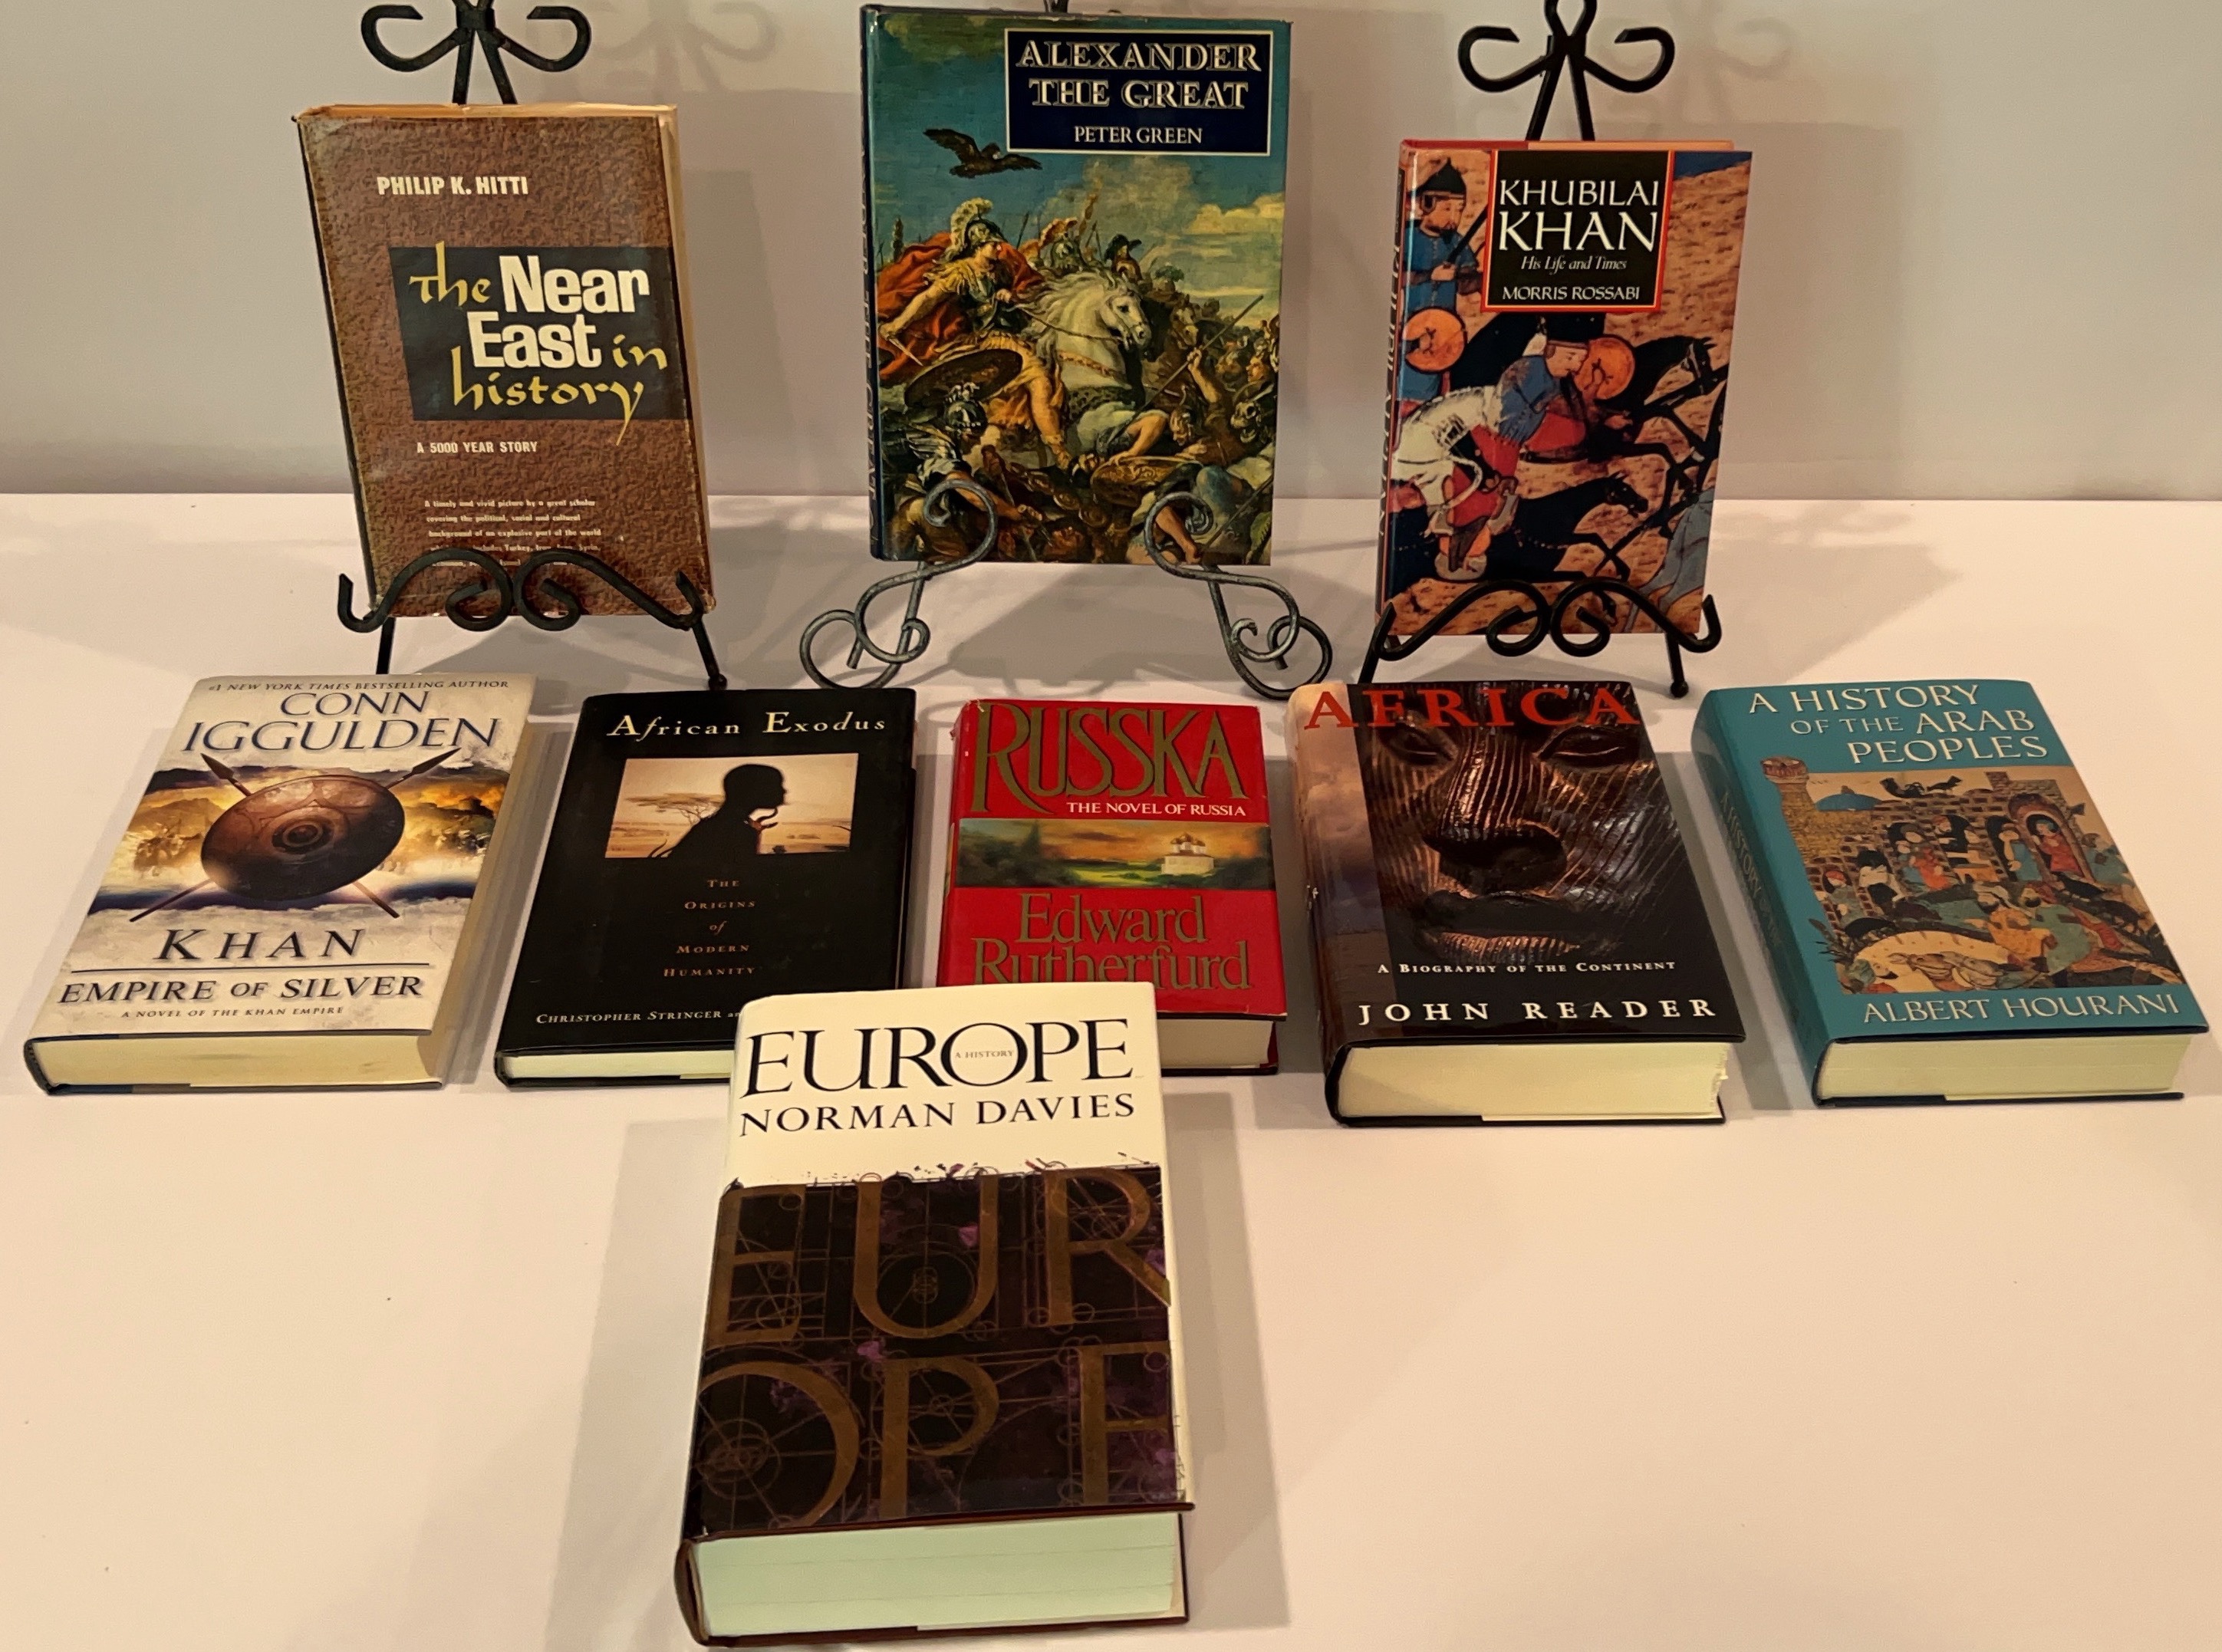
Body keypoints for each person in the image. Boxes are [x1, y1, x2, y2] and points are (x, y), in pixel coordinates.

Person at [665, 765, 785, 866]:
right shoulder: (738, 831)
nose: (784, 791)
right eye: (775, 785)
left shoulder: (711, 827)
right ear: (755, 790)